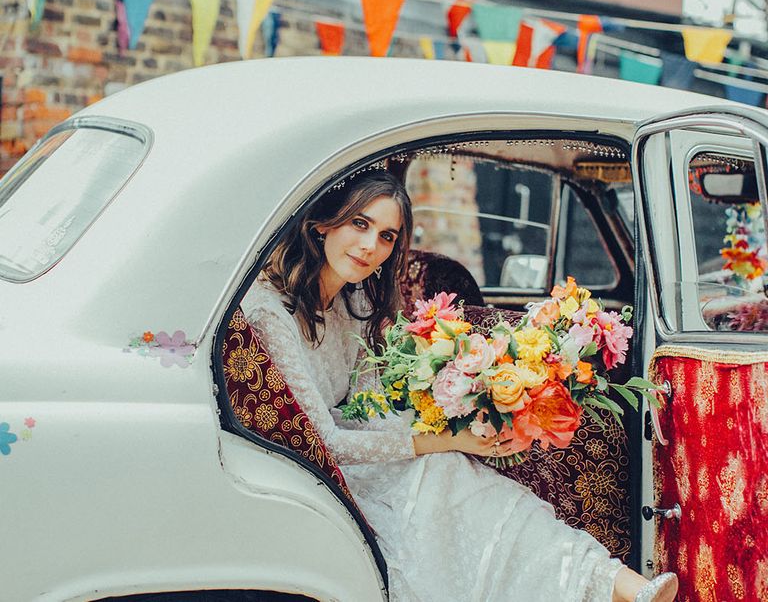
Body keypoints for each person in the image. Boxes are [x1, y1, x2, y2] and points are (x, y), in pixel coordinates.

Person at [241, 170, 678, 602]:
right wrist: (447, 439)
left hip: (362, 455)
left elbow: (368, 409)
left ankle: (614, 582)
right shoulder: (270, 313)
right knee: (446, 472)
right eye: (360, 223)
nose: (370, 246)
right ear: (323, 224)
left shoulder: (355, 301)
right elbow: (327, 443)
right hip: (323, 473)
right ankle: (611, 587)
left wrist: (457, 415)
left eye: (387, 236)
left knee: (456, 476)